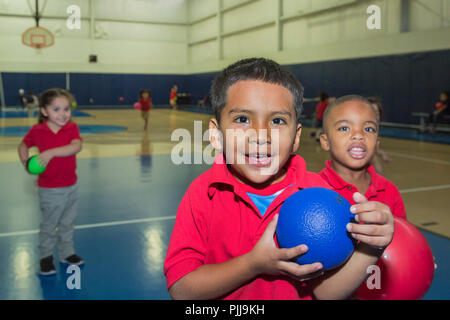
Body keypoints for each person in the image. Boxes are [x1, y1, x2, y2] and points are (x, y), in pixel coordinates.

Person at [164, 58, 395, 300]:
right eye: (243, 119)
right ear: (216, 134)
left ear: (296, 137)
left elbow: (326, 293)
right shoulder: (203, 193)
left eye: (277, 121)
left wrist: (371, 248)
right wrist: (252, 264)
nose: (261, 135)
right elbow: (182, 290)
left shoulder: (318, 194)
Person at [17, 88, 84, 276]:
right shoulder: (38, 131)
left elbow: (76, 146)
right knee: (49, 225)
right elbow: (23, 144)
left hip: (71, 186)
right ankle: (46, 257)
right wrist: (26, 163)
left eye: (66, 109)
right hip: (50, 190)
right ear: (44, 111)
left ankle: (67, 253)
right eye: (56, 109)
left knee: (68, 222)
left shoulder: (72, 128)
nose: (63, 114)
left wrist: (51, 152)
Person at [318, 95, 406, 219]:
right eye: (344, 128)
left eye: (369, 129)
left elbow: (403, 236)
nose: (358, 135)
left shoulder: (390, 191)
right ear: (325, 141)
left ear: (377, 143)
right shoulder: (313, 189)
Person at [366, 97, 391, 174]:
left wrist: (382, 154)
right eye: (370, 112)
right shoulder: (363, 130)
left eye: (376, 113)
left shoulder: (373, 130)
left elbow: (373, 149)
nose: (374, 116)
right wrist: (376, 164)